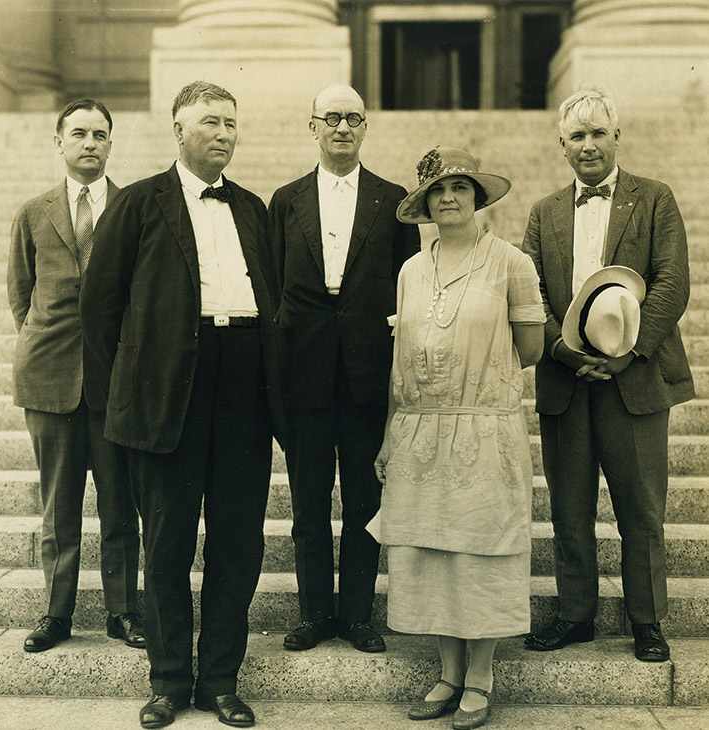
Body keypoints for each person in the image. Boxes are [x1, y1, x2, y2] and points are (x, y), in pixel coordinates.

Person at [80, 81, 283, 729]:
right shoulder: (139, 204)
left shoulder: (254, 209)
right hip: (166, 398)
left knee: (236, 545)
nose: (222, 133)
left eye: (230, 122)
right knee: (166, 544)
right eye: (209, 123)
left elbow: (278, 304)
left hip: (244, 391)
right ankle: (169, 681)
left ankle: (220, 680)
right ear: (177, 129)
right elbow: (99, 313)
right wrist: (125, 402)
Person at [370, 146, 544, 730]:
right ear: (423, 205)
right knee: (432, 552)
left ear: (477, 197)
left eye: (460, 189)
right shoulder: (411, 270)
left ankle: (480, 679)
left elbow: (531, 350)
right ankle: (447, 673)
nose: (448, 199)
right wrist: (393, 436)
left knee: (478, 550)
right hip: (420, 428)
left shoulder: (511, 263)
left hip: (484, 427)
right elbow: (400, 358)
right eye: (436, 192)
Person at [522, 86, 694, 662]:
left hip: (636, 380)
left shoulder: (655, 199)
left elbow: (672, 284)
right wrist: (564, 351)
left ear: (617, 137)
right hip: (564, 381)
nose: (588, 145)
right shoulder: (543, 212)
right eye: (577, 135)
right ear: (561, 145)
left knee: (641, 508)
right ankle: (575, 615)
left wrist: (630, 351)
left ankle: (646, 620)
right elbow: (532, 293)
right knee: (569, 507)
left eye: (599, 132)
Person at [268, 84, 420, 654]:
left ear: (365, 127)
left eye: (353, 118)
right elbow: (274, 289)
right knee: (308, 502)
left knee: (364, 500)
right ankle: (314, 615)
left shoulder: (394, 199)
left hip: (367, 376)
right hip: (305, 374)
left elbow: (409, 289)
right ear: (312, 127)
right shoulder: (285, 201)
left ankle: (357, 615)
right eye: (331, 117)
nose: (342, 127)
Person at [7, 99, 143, 654]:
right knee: (58, 507)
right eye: (79, 134)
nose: (90, 143)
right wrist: (51, 346)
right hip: (50, 378)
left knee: (120, 503)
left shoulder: (134, 207)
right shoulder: (33, 211)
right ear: (59, 142)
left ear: (111, 144)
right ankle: (56, 613)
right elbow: (21, 294)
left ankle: (123, 612)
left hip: (114, 384)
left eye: (100, 135)